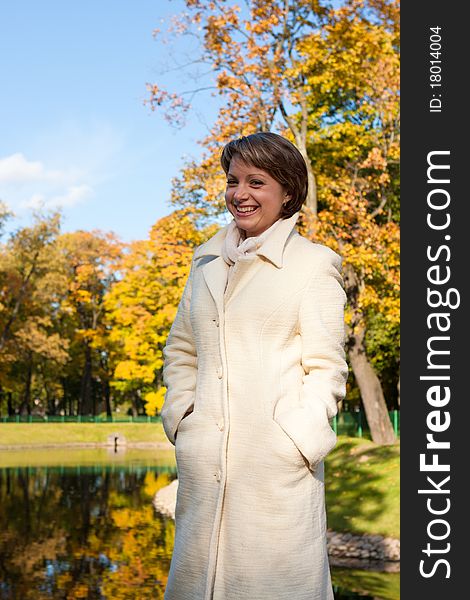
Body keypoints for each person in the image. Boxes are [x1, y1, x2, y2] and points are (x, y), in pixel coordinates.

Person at [161, 132, 348, 600]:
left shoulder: (313, 266)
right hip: (205, 462)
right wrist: (184, 418)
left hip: (275, 469)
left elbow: (326, 369)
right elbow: (182, 350)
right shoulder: (203, 262)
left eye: (256, 182)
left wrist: (294, 439)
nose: (239, 194)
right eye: (233, 181)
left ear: (287, 192)